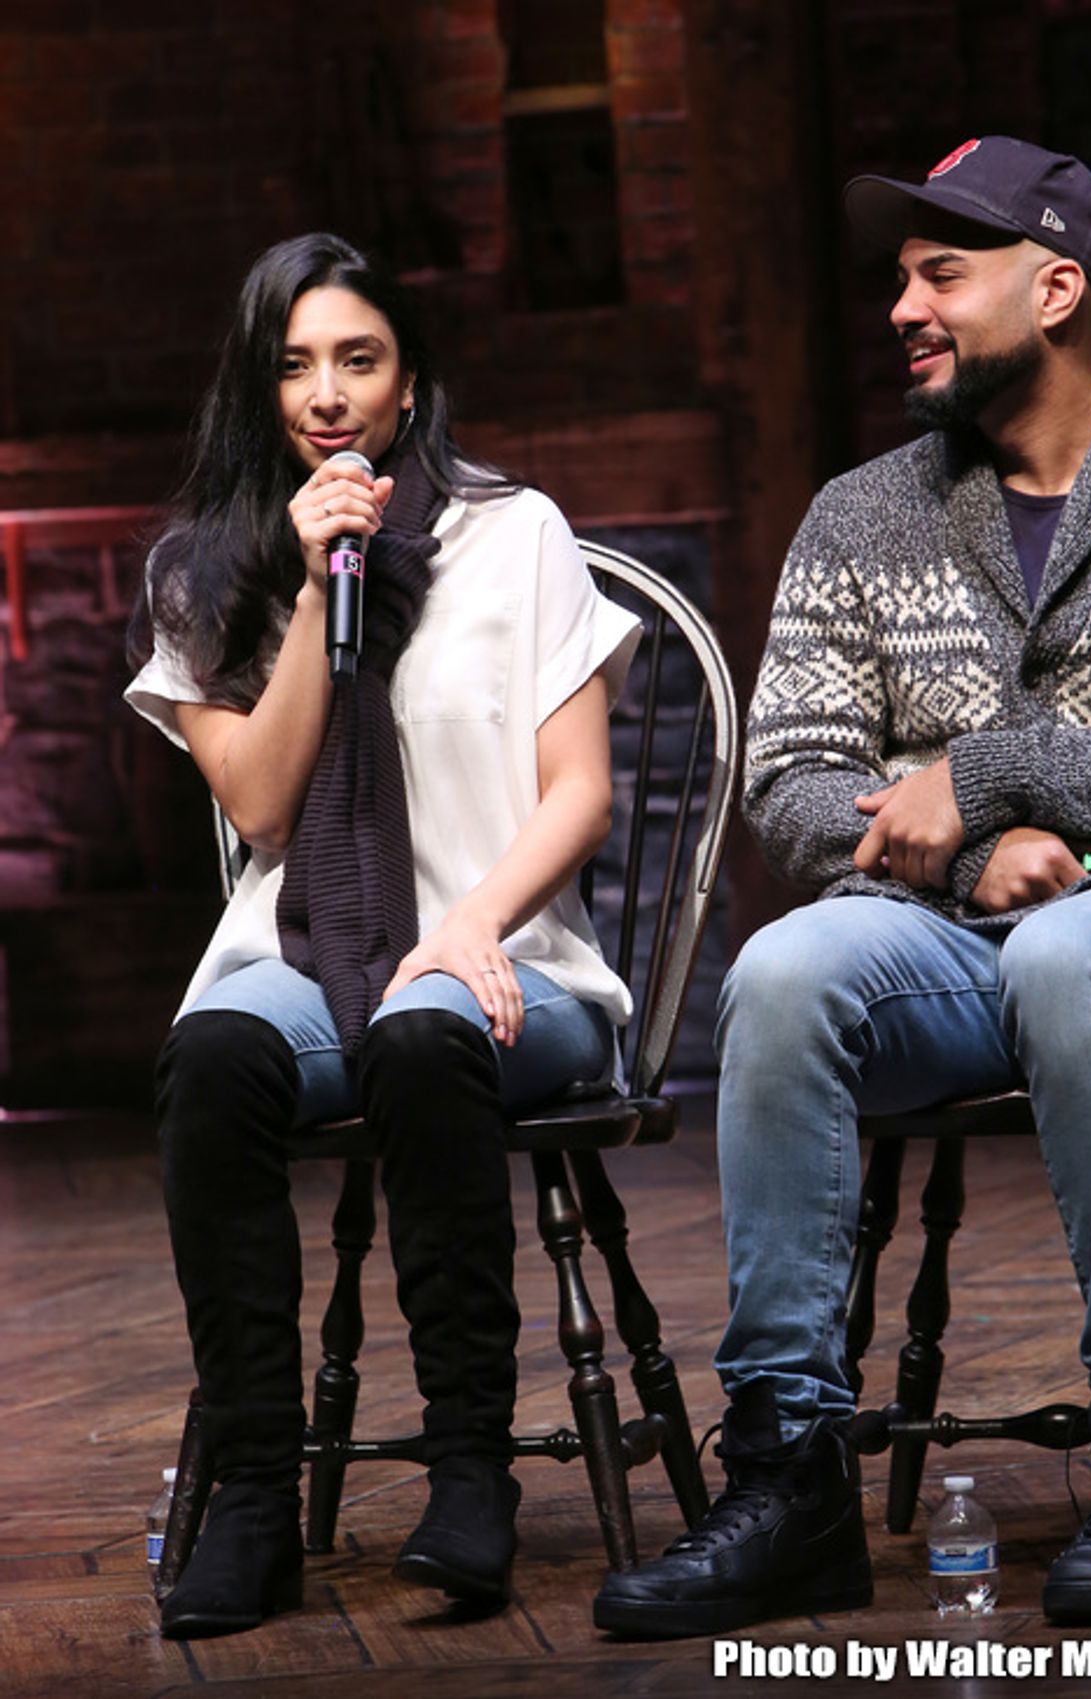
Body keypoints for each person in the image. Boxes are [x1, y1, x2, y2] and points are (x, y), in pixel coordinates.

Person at [594, 136, 1091, 1638]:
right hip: (934, 943)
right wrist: (978, 852)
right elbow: (794, 778)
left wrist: (993, 776)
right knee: (786, 972)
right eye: (899, 281)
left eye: (943, 273)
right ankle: (788, 1471)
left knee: (1077, 961)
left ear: (1057, 287)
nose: (902, 309)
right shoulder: (859, 517)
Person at [126, 232, 639, 1639]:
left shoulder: (513, 532)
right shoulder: (206, 571)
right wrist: (308, 589)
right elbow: (259, 796)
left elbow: (582, 790)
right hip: (299, 959)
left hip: (512, 970)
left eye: (358, 359)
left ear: (409, 386)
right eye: (295, 366)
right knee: (216, 1056)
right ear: (259, 391)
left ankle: (468, 1475)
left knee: (423, 1031)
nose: (328, 393)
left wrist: (465, 923)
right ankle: (251, 1497)